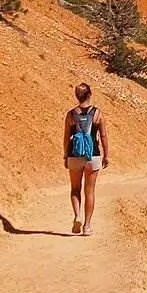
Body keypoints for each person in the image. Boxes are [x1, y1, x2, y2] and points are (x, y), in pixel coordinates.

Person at [63, 83, 109, 235]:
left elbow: (66, 138)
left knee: (75, 189)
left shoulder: (70, 114)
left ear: (77, 96)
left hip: (74, 155)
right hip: (92, 155)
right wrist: (106, 155)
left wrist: (65, 155)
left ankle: (77, 216)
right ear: (90, 94)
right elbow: (103, 135)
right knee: (89, 191)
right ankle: (87, 225)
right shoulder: (97, 113)